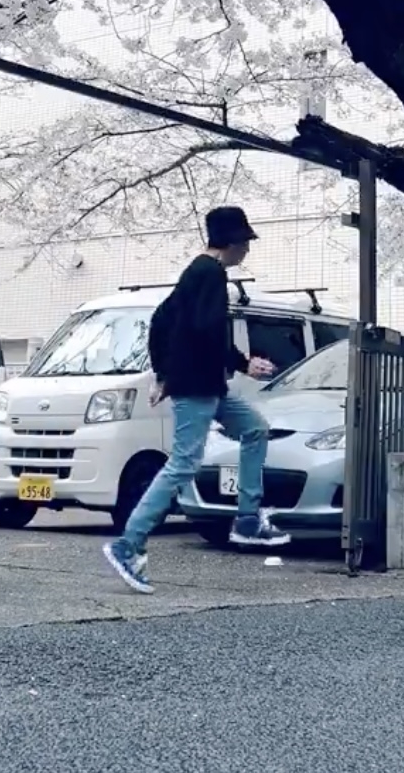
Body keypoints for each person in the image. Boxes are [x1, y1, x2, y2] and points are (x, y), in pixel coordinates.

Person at [103, 205, 291, 594]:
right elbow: (208, 332)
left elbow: (161, 320)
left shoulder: (194, 273)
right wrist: (242, 363)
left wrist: (162, 374)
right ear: (231, 241)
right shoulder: (210, 274)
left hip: (205, 385)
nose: (247, 250)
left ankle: (247, 519)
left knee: (254, 429)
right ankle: (128, 544)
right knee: (182, 464)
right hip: (196, 387)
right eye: (245, 242)